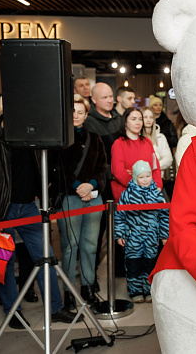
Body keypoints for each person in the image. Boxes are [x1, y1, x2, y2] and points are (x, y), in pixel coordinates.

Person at [0, 118, 79, 329]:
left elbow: (40, 166)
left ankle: (55, 308)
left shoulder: (31, 132)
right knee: (5, 261)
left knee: (46, 256)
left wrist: (41, 193)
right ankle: (12, 311)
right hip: (3, 209)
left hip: (29, 206)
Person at [56, 95, 107, 309]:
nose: (76, 116)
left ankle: (87, 287)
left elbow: (102, 166)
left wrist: (91, 185)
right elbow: (58, 170)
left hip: (93, 198)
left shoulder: (95, 138)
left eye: (80, 112)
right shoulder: (59, 140)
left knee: (90, 246)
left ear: (86, 115)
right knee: (70, 247)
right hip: (70, 198)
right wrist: (79, 186)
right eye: (72, 112)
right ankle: (68, 292)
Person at [115, 161, 169, 303]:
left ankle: (149, 290)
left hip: (151, 237)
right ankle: (135, 291)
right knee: (133, 264)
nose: (145, 180)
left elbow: (164, 216)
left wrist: (164, 235)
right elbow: (120, 216)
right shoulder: (127, 195)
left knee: (150, 263)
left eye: (147, 176)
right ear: (134, 178)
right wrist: (119, 234)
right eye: (141, 177)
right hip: (133, 237)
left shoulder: (157, 194)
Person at [83, 82, 122, 275]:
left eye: (111, 96)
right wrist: (113, 171)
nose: (109, 100)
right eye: (104, 97)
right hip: (103, 182)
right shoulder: (90, 123)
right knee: (97, 232)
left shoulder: (118, 118)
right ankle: (92, 274)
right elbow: (95, 158)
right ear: (93, 100)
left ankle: (119, 270)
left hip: (121, 181)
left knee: (120, 227)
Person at [111, 107, 163, 202]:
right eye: (133, 119)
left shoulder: (147, 142)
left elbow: (155, 167)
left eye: (140, 119)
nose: (138, 123)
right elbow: (118, 172)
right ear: (125, 122)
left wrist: (157, 186)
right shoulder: (119, 144)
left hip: (150, 194)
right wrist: (140, 188)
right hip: (128, 196)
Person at [142, 106, 173, 198]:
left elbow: (168, 159)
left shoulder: (160, 137)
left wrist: (153, 167)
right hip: (140, 181)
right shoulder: (137, 138)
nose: (148, 120)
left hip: (158, 180)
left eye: (151, 117)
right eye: (145, 117)